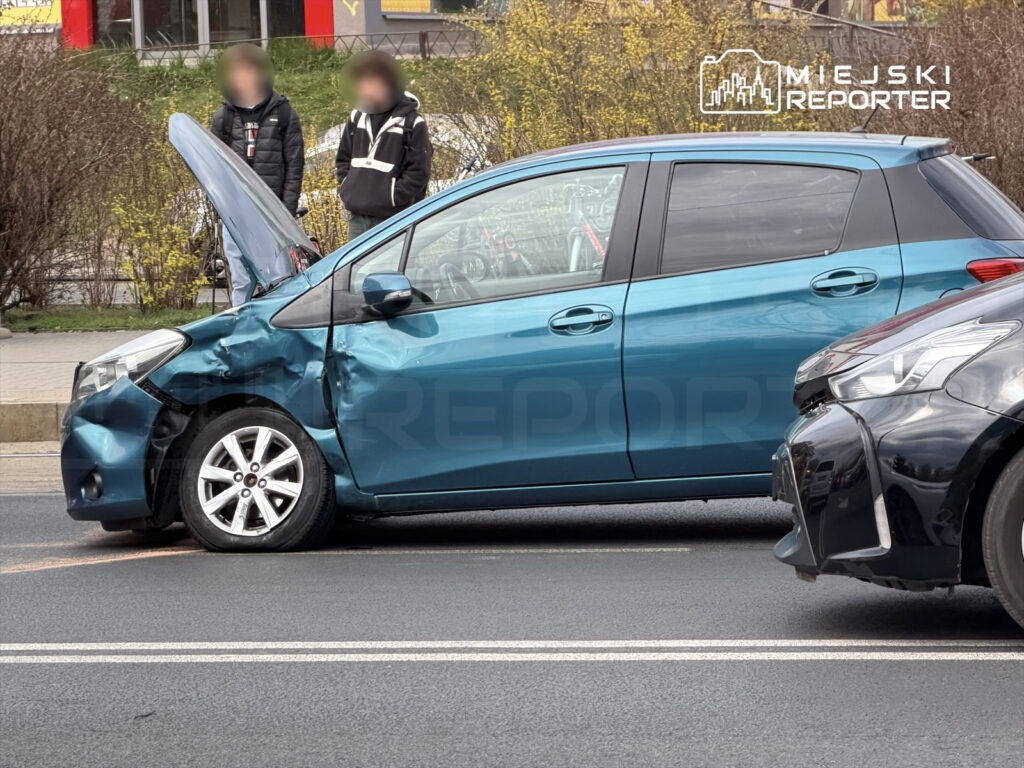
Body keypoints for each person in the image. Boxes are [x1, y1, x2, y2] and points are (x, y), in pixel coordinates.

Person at [211, 43, 304, 306]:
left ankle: (280, 324)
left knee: (279, 278)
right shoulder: (224, 117)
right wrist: (221, 203)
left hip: (271, 212)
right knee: (241, 279)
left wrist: (286, 211)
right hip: (236, 211)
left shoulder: (284, 113)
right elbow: (212, 166)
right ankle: (241, 326)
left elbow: (294, 165)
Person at [335, 51, 432, 241]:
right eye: (362, 84)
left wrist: (392, 197)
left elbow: (419, 172)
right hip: (357, 219)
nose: (366, 89)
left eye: (372, 83)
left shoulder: (412, 122)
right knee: (355, 271)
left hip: (393, 220)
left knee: (386, 270)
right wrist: (348, 186)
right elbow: (343, 159)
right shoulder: (357, 117)